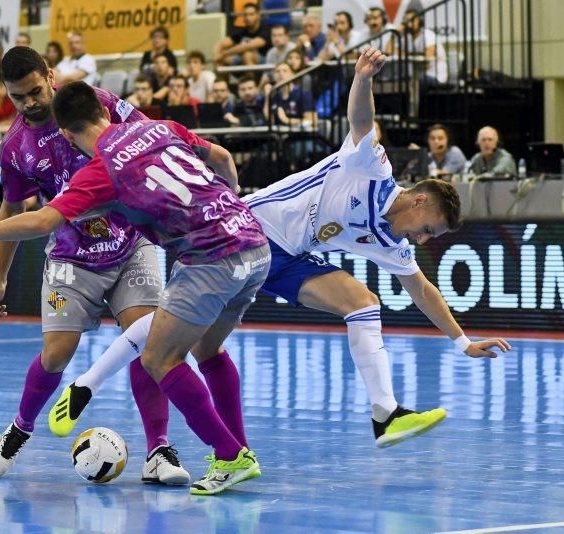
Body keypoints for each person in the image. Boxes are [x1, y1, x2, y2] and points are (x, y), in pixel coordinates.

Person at [35, 48, 510, 454]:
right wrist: (362, 78)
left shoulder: (390, 240)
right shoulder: (372, 169)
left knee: (364, 305)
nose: (420, 241)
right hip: (246, 230)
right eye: (427, 230)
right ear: (419, 200)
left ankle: (385, 414)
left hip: (289, 258)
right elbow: (362, 122)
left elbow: (422, 289)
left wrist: (463, 342)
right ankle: (85, 384)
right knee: (179, 330)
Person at [0, 80, 272, 497]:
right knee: (205, 349)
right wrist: (228, 200)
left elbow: (40, 222)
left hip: (206, 258)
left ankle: (226, 455)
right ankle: (234, 453)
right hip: (253, 244)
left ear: (69, 133)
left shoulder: (101, 170)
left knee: (158, 357)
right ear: (104, 111)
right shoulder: (158, 126)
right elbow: (222, 156)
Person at [0, 46, 191, 486]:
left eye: (34, 91)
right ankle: (20, 429)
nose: (30, 103)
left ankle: (158, 451)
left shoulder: (99, 103)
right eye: (18, 98)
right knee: (56, 353)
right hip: (72, 255)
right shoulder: (15, 148)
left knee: (146, 344)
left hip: (131, 244)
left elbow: (154, 137)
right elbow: (12, 210)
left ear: (51, 75)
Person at [388, 9, 448, 85]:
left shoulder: (428, 35)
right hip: (415, 76)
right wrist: (394, 34)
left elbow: (427, 60)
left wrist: (404, 54)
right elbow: (389, 51)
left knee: (415, 80)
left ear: (420, 21)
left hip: (434, 76)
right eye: (406, 21)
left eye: (412, 20)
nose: (409, 23)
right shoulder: (405, 37)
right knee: (397, 80)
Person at [266, 62, 316, 127]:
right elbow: (271, 121)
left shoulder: (303, 94)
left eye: (285, 71)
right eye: (277, 71)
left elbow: (311, 120)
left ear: (292, 75)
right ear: (273, 76)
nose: (281, 74)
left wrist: (287, 120)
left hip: (300, 135)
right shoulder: (274, 96)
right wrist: (267, 97)